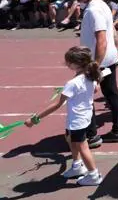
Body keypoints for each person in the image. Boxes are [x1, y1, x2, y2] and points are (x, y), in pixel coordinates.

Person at [25, 46, 103, 185]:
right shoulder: (90, 74)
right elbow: (95, 88)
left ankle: (94, 175)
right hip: (84, 115)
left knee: (82, 146)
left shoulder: (72, 83)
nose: (66, 64)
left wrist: (35, 119)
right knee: (69, 138)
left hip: (77, 119)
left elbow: (57, 104)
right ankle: (77, 166)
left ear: (77, 64)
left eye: (68, 62)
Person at [76, 0, 118, 145]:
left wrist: (94, 65)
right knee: (112, 93)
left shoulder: (93, 9)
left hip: (98, 60)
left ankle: (91, 135)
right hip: (108, 58)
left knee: (87, 96)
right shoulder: (102, 5)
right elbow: (111, 31)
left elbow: (101, 39)